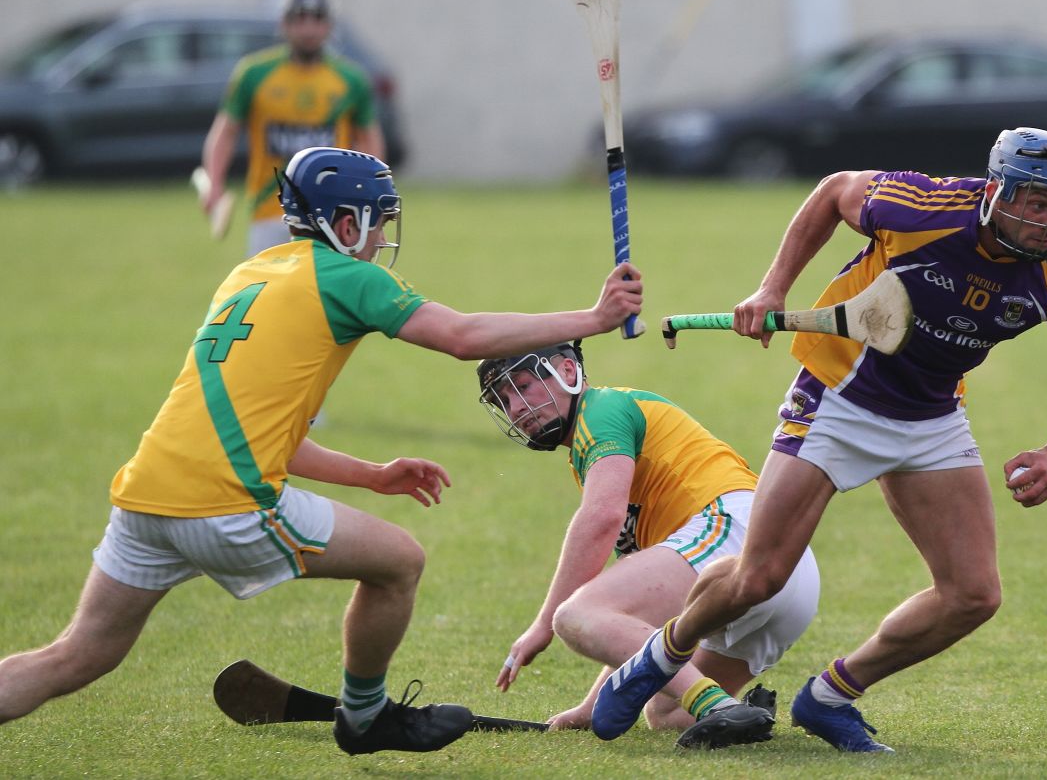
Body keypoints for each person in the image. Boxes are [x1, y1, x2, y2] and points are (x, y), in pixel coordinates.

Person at [0, 147, 643, 757]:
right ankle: (364, 715)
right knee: (399, 561)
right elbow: (463, 335)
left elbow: (266, 432)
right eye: (375, 223)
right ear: (343, 222)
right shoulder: (349, 277)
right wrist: (592, 319)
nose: (379, 239)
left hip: (145, 496)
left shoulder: (249, 272)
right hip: (225, 502)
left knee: (76, 655)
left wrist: (372, 474)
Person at [594, 126, 1047, 752]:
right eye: (1038, 203)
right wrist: (772, 288)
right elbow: (831, 191)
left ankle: (830, 697)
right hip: (836, 396)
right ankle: (662, 653)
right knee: (760, 577)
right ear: (998, 189)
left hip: (931, 417)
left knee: (974, 596)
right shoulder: (923, 209)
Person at [476, 342, 820, 749]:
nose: (515, 407)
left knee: (573, 616)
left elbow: (601, 518)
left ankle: (719, 707)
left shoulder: (600, 411)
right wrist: (589, 706)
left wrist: (543, 622)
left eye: (522, 386)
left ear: (568, 371)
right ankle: (737, 709)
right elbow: (637, 614)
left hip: (735, 532)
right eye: (504, 400)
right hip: (793, 578)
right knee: (665, 713)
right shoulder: (593, 447)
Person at [200, 0, 385, 256]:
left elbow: (369, 140)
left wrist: (370, 195)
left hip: (331, 213)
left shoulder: (351, 79)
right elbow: (225, 132)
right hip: (269, 209)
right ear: (284, 24)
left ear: (330, 26)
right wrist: (215, 183)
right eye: (299, 19)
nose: (309, 29)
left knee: (324, 295)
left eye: (318, 19)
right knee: (268, 294)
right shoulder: (253, 73)